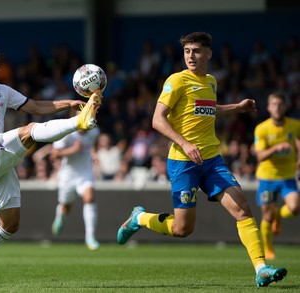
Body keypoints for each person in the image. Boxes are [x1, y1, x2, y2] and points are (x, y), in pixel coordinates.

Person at [116, 32, 287, 288]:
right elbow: (157, 120)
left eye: (196, 51)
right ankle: (140, 218)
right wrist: (184, 143)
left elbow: (207, 107)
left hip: (211, 160)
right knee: (183, 230)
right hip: (183, 162)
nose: (191, 56)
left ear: (208, 53)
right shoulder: (177, 80)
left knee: (243, 210)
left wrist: (235, 108)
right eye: (187, 51)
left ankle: (261, 269)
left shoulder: (211, 82)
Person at [0, 38, 102, 287]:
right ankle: (79, 123)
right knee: (30, 131)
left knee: (10, 224)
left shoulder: (2, 90)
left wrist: (69, 103)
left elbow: (36, 106)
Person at [254, 92, 300, 260]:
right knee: (267, 216)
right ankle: (268, 248)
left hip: (287, 176)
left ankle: (279, 215)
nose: (277, 107)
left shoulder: (295, 125)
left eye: (280, 104)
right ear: (268, 107)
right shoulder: (262, 128)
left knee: (295, 208)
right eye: (274, 104)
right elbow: (260, 156)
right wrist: (276, 148)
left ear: (285, 106)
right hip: (267, 177)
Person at [50, 125, 100, 250]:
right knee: (66, 207)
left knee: (89, 198)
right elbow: (54, 155)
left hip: (85, 173)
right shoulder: (66, 133)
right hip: (68, 175)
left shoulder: (95, 131)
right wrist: (72, 150)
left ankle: (90, 237)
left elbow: (93, 145)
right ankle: (60, 216)